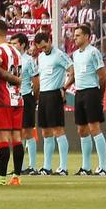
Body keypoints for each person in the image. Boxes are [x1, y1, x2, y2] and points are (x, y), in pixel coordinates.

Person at [66, 24, 106, 176]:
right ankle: (86, 166)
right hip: (79, 92)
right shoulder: (76, 55)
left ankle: (103, 167)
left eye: (77, 35)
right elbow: (76, 75)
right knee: (81, 130)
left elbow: (102, 76)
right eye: (74, 35)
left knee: (94, 128)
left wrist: (100, 95)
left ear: (86, 36)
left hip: (91, 92)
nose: (74, 38)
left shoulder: (93, 52)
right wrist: (65, 88)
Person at [0, 19, 25, 184]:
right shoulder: (16, 51)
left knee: (2, 138)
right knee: (16, 138)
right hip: (17, 98)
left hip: (2, 99)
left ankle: (1, 177)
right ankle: (16, 176)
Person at [33, 31, 71, 175]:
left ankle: (63, 167)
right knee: (45, 131)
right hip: (43, 95)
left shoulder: (59, 55)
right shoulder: (41, 57)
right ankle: (46, 167)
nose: (44, 49)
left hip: (55, 94)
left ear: (49, 41)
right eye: (40, 48)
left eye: (45, 46)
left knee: (58, 130)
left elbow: (72, 70)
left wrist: (64, 87)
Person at [15, 32, 39, 175]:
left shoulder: (28, 60)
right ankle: (21, 166)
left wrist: (34, 98)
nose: (13, 45)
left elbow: (36, 81)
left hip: (26, 96)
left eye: (15, 43)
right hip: (14, 98)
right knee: (17, 133)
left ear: (23, 44)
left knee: (28, 132)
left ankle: (32, 166)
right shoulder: (11, 58)